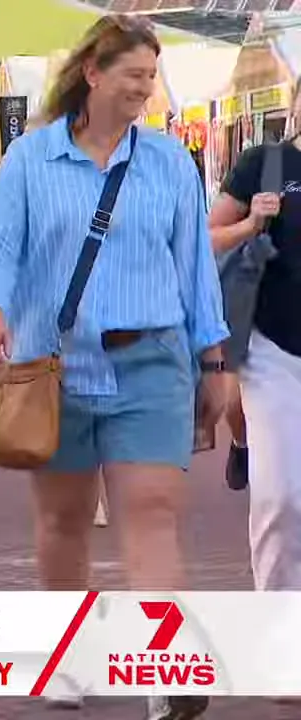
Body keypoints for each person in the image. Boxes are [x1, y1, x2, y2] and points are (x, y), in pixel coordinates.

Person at [0, 16, 227, 718]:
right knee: (65, 522)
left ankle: (165, 670)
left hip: (152, 363)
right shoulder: (30, 160)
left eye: (151, 76)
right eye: (134, 74)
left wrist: (215, 357)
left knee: (152, 513)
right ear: (94, 74)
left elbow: (195, 267)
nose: (145, 88)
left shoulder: (170, 162)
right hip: (55, 371)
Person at [209, 75, 301, 594]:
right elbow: (207, 237)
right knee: (282, 496)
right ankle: (278, 614)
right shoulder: (265, 165)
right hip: (273, 349)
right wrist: (249, 225)